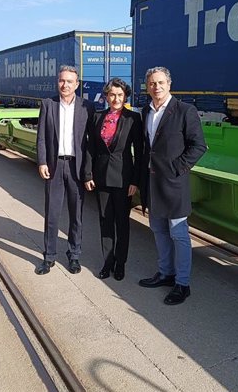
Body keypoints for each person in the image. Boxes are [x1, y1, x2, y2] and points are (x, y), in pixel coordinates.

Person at [138, 66, 207, 305]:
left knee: (179, 234)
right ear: (147, 87)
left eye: (160, 83)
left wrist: (178, 168)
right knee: (158, 230)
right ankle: (165, 273)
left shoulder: (185, 111)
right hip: (152, 182)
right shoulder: (145, 111)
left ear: (169, 84)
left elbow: (199, 146)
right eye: (152, 84)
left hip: (174, 183)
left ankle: (183, 284)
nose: (156, 87)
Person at [35, 66, 95, 275]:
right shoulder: (48, 104)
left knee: (76, 215)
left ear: (77, 84)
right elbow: (41, 136)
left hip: (76, 167)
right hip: (54, 165)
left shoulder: (87, 107)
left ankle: (74, 255)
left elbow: (91, 143)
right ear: (57, 82)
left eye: (70, 81)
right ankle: (49, 256)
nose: (65, 85)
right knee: (52, 214)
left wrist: (89, 172)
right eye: (62, 81)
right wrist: (42, 162)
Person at [83, 78, 142, 281]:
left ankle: (120, 263)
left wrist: (135, 180)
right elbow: (90, 148)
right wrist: (88, 174)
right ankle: (107, 262)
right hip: (101, 178)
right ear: (106, 96)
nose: (116, 98)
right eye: (112, 94)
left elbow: (140, 154)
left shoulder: (133, 119)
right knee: (105, 221)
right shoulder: (97, 117)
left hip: (124, 180)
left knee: (122, 223)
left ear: (125, 96)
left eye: (120, 94)